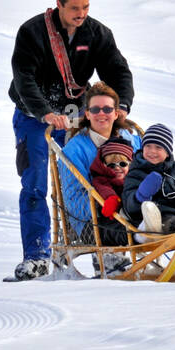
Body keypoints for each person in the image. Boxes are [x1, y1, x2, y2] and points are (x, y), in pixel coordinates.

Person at [7, 0, 134, 281]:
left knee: (98, 178)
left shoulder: (96, 33)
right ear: (59, 5)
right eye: (75, 8)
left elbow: (117, 69)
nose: (81, 13)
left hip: (78, 114)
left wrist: (123, 105)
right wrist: (45, 113)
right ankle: (36, 257)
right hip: (35, 115)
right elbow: (24, 78)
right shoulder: (33, 32)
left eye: (86, 7)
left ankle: (107, 251)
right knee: (36, 184)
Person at [57, 82, 142, 243]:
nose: (101, 114)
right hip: (94, 221)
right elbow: (73, 200)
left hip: (136, 208)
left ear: (116, 113)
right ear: (87, 114)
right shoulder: (74, 150)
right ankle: (143, 232)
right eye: (95, 109)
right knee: (132, 229)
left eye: (107, 109)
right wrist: (109, 203)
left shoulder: (131, 140)